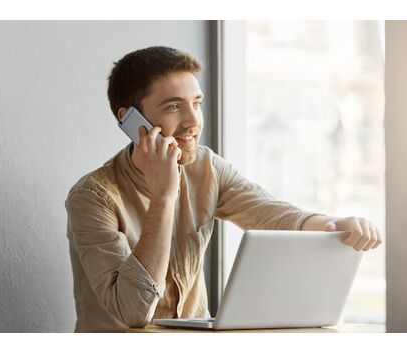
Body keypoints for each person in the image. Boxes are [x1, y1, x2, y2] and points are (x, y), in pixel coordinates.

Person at [64, 46, 382, 333]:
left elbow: (270, 214)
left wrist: (333, 225)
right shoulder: (92, 197)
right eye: (174, 106)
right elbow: (132, 311)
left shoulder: (207, 168)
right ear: (131, 120)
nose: (193, 122)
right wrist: (164, 196)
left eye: (197, 103)